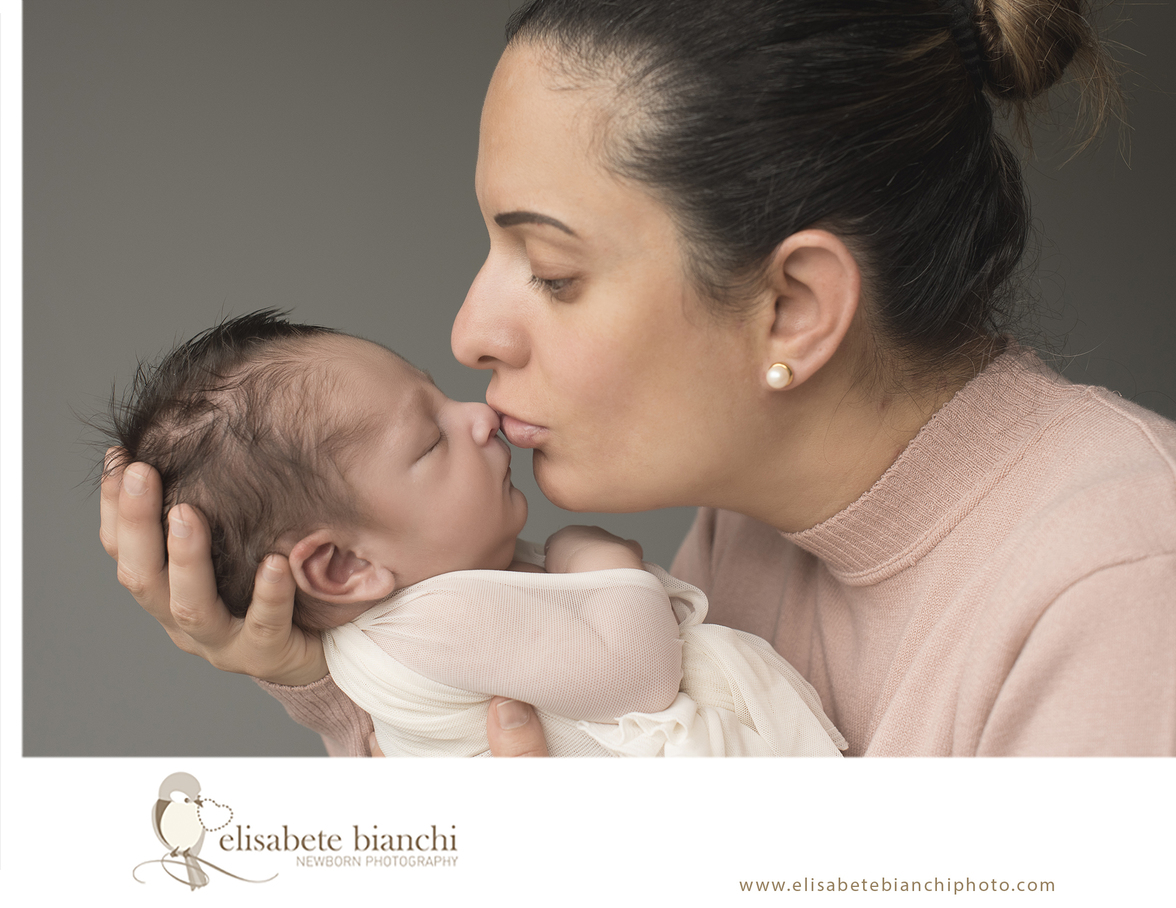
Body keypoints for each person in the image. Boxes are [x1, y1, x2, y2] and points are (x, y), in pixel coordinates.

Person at [100, 0, 1176, 757]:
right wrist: (322, 671)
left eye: (554, 273)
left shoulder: (1126, 588)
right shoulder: (760, 514)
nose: (470, 332)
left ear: (793, 306)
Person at [100, 310, 846, 757]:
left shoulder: (401, 635)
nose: (479, 414)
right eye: (430, 441)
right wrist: (593, 554)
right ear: (342, 565)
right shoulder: (434, 623)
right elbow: (639, 670)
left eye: (439, 394)